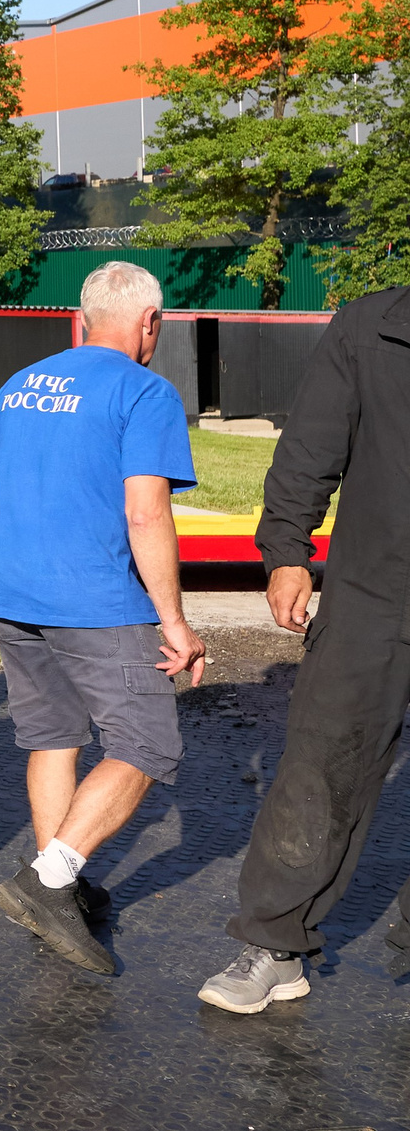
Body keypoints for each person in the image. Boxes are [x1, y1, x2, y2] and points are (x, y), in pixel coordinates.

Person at [0, 261, 206, 976]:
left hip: (14, 597)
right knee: (149, 744)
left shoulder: (22, 384)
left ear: (84, 316)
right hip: (96, 602)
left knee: (53, 738)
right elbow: (146, 510)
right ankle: (48, 879)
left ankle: (58, 888)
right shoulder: (144, 391)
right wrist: (175, 622)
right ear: (149, 323)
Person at [197, 282, 410, 1013]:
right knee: (322, 768)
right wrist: (287, 550)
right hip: (375, 596)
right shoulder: (374, 328)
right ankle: (275, 945)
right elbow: (311, 445)